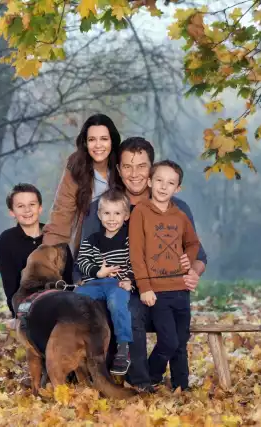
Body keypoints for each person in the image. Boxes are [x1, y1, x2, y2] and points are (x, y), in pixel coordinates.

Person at [80, 136, 207, 393]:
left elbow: (199, 255)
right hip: (122, 289)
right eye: (127, 166)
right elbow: (86, 257)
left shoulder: (177, 207)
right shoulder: (103, 208)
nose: (134, 173)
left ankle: (172, 380)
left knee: (174, 332)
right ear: (118, 169)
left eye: (141, 166)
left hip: (168, 287)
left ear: (151, 170)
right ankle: (140, 381)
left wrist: (193, 271)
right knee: (130, 307)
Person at [129, 160, 200, 392]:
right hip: (157, 292)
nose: (163, 186)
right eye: (158, 180)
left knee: (181, 343)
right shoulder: (140, 212)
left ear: (177, 188)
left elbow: (193, 243)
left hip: (181, 289)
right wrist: (144, 286)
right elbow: (136, 254)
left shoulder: (179, 215)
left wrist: (188, 258)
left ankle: (182, 386)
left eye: (170, 183)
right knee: (168, 341)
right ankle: (150, 375)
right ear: (149, 182)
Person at [42, 114, 124, 260]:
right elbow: (62, 213)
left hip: (122, 247)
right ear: (85, 143)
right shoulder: (76, 167)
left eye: (104, 139)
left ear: (112, 141)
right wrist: (47, 257)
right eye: (92, 139)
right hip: (87, 247)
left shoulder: (123, 167)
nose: (98, 145)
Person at [75, 189, 134, 376]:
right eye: (107, 213)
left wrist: (128, 279)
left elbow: (136, 261)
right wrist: (97, 272)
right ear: (100, 215)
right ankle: (78, 341)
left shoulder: (128, 240)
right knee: (76, 299)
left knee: (117, 303)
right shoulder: (92, 240)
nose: (111, 218)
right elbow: (82, 261)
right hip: (95, 283)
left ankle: (123, 348)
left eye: (117, 213)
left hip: (117, 285)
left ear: (126, 216)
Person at [0, 183, 74, 319]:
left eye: (32, 204)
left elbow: (69, 276)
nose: (27, 210)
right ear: (12, 212)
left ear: (40, 208)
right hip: (27, 302)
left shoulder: (55, 236)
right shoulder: (7, 239)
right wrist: (16, 315)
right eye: (20, 206)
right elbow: (10, 283)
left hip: (58, 298)